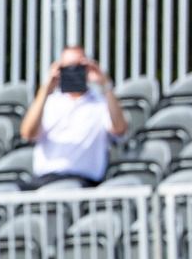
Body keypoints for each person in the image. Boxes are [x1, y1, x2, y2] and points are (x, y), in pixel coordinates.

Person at [19, 45, 128, 188]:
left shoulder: (101, 103)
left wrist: (105, 84)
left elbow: (119, 128)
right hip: (44, 180)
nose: (73, 72)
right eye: (67, 67)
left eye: (79, 66)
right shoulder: (49, 102)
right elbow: (27, 132)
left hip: (83, 182)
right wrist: (46, 88)